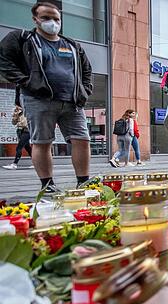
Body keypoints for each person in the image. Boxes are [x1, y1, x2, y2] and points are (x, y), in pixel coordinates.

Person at [0, 1, 93, 192]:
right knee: (42, 142)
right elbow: (4, 60)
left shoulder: (72, 45)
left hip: (72, 101)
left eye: (56, 18)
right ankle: (47, 185)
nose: (52, 22)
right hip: (38, 100)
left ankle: (83, 182)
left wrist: (85, 91)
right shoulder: (23, 39)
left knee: (82, 139)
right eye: (46, 18)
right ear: (35, 19)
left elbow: (86, 70)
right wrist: (27, 82)